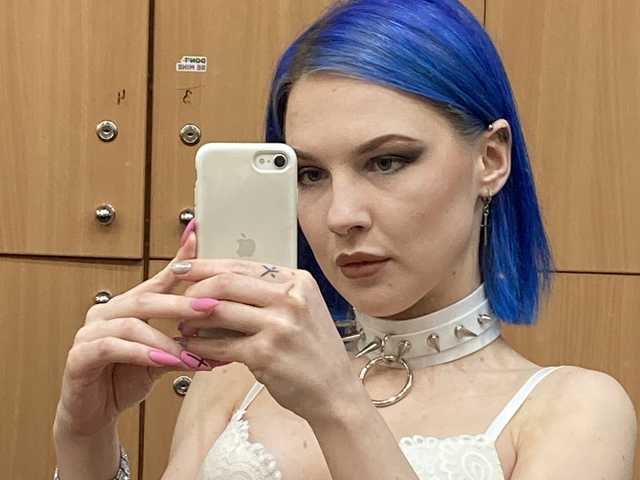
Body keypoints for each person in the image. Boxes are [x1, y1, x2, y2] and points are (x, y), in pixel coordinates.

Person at [52, 0, 637, 479]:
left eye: (387, 161)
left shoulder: (576, 410)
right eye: (309, 174)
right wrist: (84, 438)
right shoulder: (235, 381)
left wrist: (338, 406)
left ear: (490, 159)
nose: (341, 215)